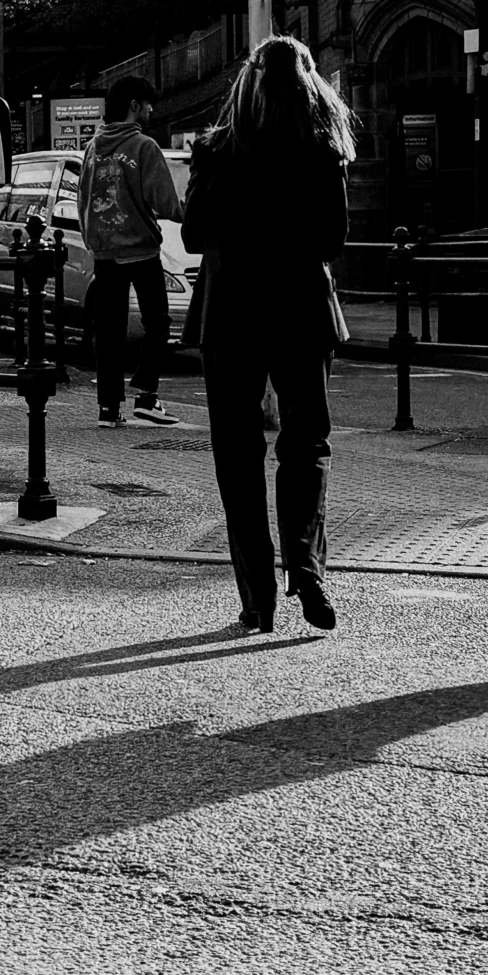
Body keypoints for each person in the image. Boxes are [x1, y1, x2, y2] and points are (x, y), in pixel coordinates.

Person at [181, 35, 354, 634]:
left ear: (247, 82)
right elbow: (332, 240)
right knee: (305, 445)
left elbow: (194, 237)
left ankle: (257, 598)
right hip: (301, 312)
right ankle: (306, 567)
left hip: (230, 315)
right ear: (310, 83)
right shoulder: (322, 149)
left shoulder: (216, 150)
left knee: (237, 453)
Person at [76, 74, 183, 428]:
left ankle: (108, 408)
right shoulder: (143, 146)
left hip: (104, 253)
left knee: (108, 332)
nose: (152, 109)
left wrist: (93, 238)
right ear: (134, 105)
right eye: (148, 103)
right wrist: (192, 215)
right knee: (158, 325)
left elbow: (83, 199)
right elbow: (165, 202)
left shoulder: (93, 147)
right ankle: (146, 396)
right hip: (140, 250)